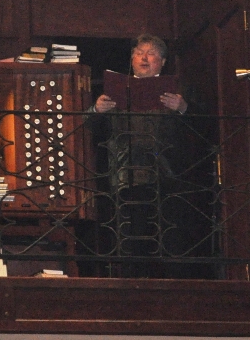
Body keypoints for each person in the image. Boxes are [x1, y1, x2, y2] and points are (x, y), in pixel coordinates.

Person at [89, 33, 209, 278]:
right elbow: (88, 131)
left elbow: (205, 129)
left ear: (162, 62)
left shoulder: (180, 91)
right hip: (125, 175)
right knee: (131, 241)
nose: (144, 58)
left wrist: (183, 108)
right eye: (138, 53)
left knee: (172, 243)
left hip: (170, 177)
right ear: (131, 59)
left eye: (151, 53)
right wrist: (96, 110)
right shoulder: (112, 92)